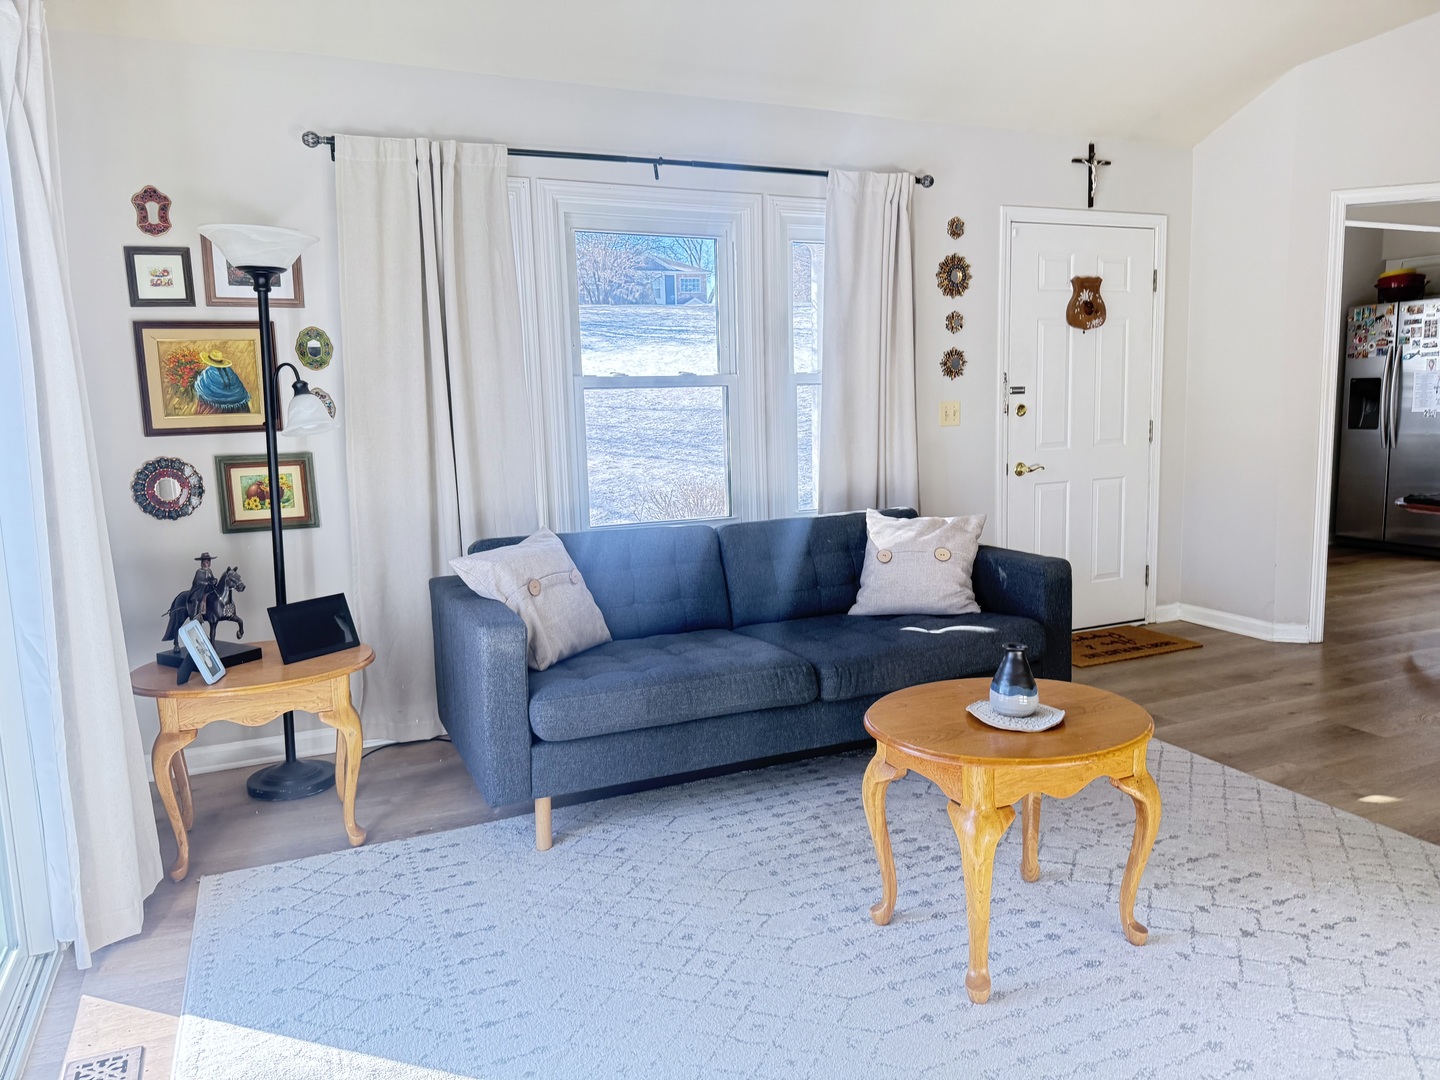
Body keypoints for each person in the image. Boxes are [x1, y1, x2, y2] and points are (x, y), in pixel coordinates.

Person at [192, 349, 252, 415]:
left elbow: (201, 388)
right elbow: (238, 388)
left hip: (214, 409)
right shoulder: (230, 371)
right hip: (235, 406)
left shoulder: (207, 373)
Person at [187, 552, 216, 621]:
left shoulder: (209, 571)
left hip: (208, 589)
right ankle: (194, 615)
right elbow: (196, 582)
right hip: (200, 590)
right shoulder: (199, 571)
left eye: (209, 561)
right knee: (196, 599)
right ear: (202, 563)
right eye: (206, 562)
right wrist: (205, 583)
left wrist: (214, 581)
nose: (208, 563)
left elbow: (212, 579)